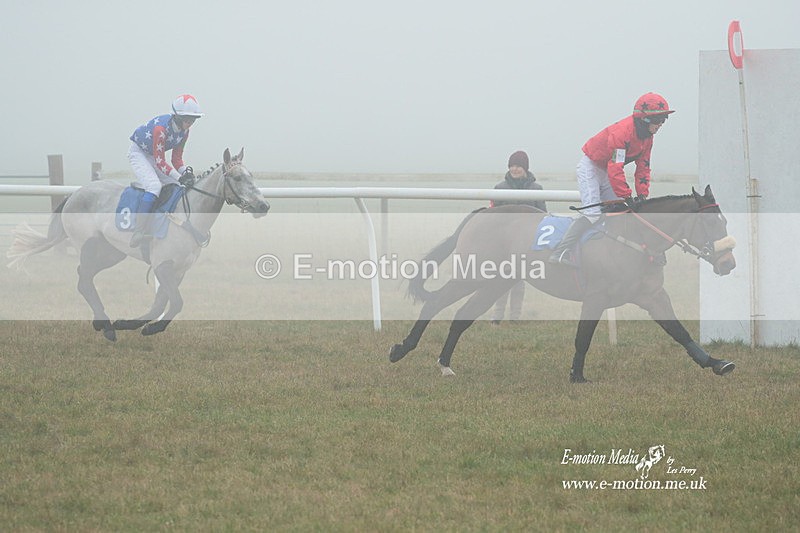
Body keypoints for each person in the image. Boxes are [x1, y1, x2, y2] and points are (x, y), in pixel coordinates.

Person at [549, 92, 675, 267]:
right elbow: (615, 168)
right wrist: (628, 195)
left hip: (607, 170)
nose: (661, 124)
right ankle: (561, 251)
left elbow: (643, 167)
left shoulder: (648, 138)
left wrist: (642, 196)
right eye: (658, 120)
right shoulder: (622, 133)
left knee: (621, 212)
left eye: (663, 120)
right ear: (644, 119)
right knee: (593, 215)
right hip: (591, 168)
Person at [127, 94, 204, 247]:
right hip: (139, 153)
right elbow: (161, 162)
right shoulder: (160, 129)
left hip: (154, 156)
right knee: (154, 186)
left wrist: (185, 173)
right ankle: (139, 231)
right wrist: (179, 176)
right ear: (176, 117)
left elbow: (176, 159)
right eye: (187, 119)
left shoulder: (185, 132)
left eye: (193, 120)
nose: (190, 123)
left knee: (177, 185)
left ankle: (165, 221)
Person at [490, 150, 546, 325]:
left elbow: (543, 216)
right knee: (500, 279)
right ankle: (496, 317)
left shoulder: (537, 189)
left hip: (526, 244)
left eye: (518, 166)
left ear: (525, 168)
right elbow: (491, 216)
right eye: (512, 165)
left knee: (518, 281)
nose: (514, 169)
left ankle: (515, 317)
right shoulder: (499, 189)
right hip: (503, 243)